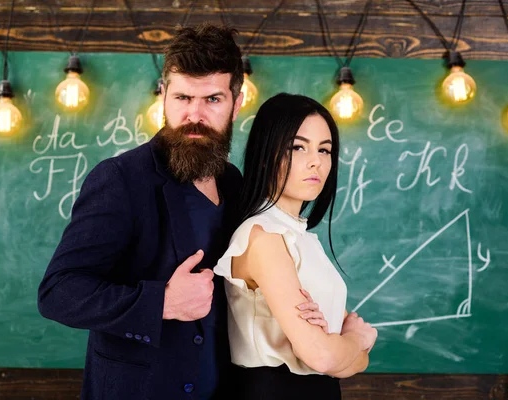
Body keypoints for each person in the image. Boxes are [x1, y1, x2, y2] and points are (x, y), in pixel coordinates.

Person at [37, 24, 328, 400]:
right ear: (164, 96)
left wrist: (303, 313)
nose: (195, 114)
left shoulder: (236, 184)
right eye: (182, 98)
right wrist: (161, 302)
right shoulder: (120, 180)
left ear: (236, 103)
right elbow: (58, 292)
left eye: (212, 100)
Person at [214, 93, 379, 399]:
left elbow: (354, 362)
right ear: (266, 154)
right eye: (298, 147)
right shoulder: (263, 237)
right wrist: (355, 340)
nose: (315, 161)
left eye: (325, 150)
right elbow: (326, 357)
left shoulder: (302, 238)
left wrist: (343, 347)